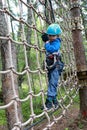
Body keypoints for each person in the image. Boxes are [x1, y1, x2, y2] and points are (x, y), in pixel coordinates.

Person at [41, 23, 64, 109]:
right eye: (49, 35)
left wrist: (46, 43)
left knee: (53, 83)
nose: (51, 37)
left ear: (57, 36)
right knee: (51, 82)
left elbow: (52, 49)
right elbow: (47, 43)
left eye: (53, 36)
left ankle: (49, 102)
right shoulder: (50, 41)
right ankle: (55, 101)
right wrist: (45, 38)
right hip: (50, 65)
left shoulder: (57, 42)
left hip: (56, 65)